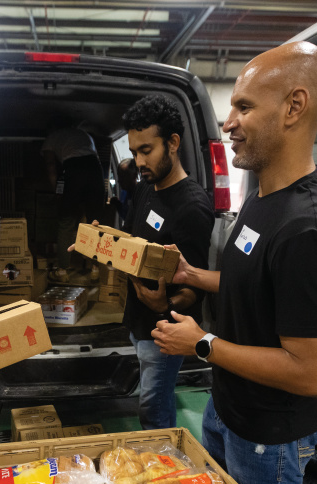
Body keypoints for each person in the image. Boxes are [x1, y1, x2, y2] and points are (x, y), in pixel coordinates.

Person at [150, 43, 317, 484]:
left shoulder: (308, 227)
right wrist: (194, 278)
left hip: (273, 431)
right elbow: (250, 282)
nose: (228, 122)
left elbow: (313, 372)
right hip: (232, 405)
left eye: (242, 106)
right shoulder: (263, 198)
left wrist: (202, 344)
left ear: (294, 107)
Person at [121, 94, 213, 430]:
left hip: (163, 332)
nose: (139, 161)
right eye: (134, 152)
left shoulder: (192, 207)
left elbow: (195, 288)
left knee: (154, 411)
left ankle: (164, 471)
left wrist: (165, 303)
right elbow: (133, 241)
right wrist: (106, 241)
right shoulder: (149, 185)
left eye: (146, 150)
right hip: (139, 322)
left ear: (173, 143)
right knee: (150, 398)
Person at [42, 124, 106, 283]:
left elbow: (51, 166)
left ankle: (62, 271)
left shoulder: (52, 136)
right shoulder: (84, 134)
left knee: (66, 222)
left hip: (74, 169)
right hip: (95, 169)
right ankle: (96, 269)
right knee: (95, 223)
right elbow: (95, 158)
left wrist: (56, 191)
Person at [111, 157, 138, 221]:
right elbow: (125, 216)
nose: (119, 181)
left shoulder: (140, 194)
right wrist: (118, 205)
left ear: (134, 175)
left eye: (124, 176)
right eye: (119, 176)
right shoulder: (124, 192)